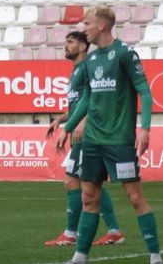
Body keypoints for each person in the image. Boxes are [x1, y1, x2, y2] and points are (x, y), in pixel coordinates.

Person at [47, 5, 163, 264]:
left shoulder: (125, 54)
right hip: (91, 142)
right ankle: (79, 260)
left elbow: (144, 92)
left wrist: (144, 128)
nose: (84, 28)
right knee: (89, 198)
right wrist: (69, 127)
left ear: (101, 26)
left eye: (87, 23)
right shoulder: (90, 60)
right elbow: (87, 97)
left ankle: (155, 257)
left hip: (119, 141)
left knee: (135, 198)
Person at [45, 30, 126, 247]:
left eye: (70, 42)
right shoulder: (76, 71)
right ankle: (113, 230)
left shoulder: (88, 67)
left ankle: (71, 233)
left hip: (87, 134)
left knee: (73, 181)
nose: (66, 45)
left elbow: (96, 99)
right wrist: (61, 120)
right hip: (80, 132)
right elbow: (78, 105)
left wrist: (83, 122)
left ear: (82, 46)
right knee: (87, 183)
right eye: (66, 41)